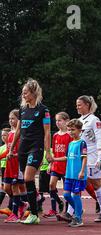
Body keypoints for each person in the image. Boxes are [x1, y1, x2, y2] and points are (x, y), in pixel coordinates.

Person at [8, 79, 52, 225]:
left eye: (25, 92)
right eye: (23, 93)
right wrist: (11, 148)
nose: (23, 95)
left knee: (27, 178)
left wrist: (48, 152)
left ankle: (34, 213)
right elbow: (18, 130)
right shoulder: (22, 109)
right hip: (23, 148)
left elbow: (47, 133)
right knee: (28, 181)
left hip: (36, 146)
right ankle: (34, 208)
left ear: (33, 93)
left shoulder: (43, 110)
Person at [76, 95, 101, 222]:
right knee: (77, 182)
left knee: (96, 184)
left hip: (93, 156)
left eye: (79, 104)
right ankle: (72, 212)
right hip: (81, 156)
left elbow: (99, 138)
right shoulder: (79, 120)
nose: (77, 107)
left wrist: (100, 157)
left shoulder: (95, 120)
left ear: (87, 105)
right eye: (77, 104)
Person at [0, 110, 29, 222]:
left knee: (15, 188)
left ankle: (14, 215)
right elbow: (8, 150)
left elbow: (24, 151)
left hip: (17, 164)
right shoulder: (10, 134)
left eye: (13, 119)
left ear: (19, 120)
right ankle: (22, 203)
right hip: (9, 165)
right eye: (10, 119)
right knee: (6, 188)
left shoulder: (22, 134)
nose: (11, 121)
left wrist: (15, 154)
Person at [58, 119, 88, 227]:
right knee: (66, 195)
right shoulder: (70, 144)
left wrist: (82, 171)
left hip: (78, 175)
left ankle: (78, 218)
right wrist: (54, 160)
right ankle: (78, 210)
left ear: (80, 130)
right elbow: (66, 157)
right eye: (69, 130)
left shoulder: (82, 143)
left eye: (73, 130)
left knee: (75, 195)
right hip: (69, 174)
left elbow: (84, 158)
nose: (71, 132)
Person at [46, 112, 72, 220]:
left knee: (67, 189)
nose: (57, 123)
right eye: (56, 120)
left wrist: (54, 159)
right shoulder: (55, 135)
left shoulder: (69, 136)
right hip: (56, 165)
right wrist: (50, 164)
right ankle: (56, 206)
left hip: (66, 166)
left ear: (66, 121)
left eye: (60, 120)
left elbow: (69, 155)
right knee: (51, 185)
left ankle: (67, 211)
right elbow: (54, 151)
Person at [0, 128, 9, 208]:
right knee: (3, 188)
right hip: (3, 170)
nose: (3, 137)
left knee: (11, 188)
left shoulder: (12, 146)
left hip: (10, 168)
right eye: (2, 135)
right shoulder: (1, 148)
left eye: (5, 135)